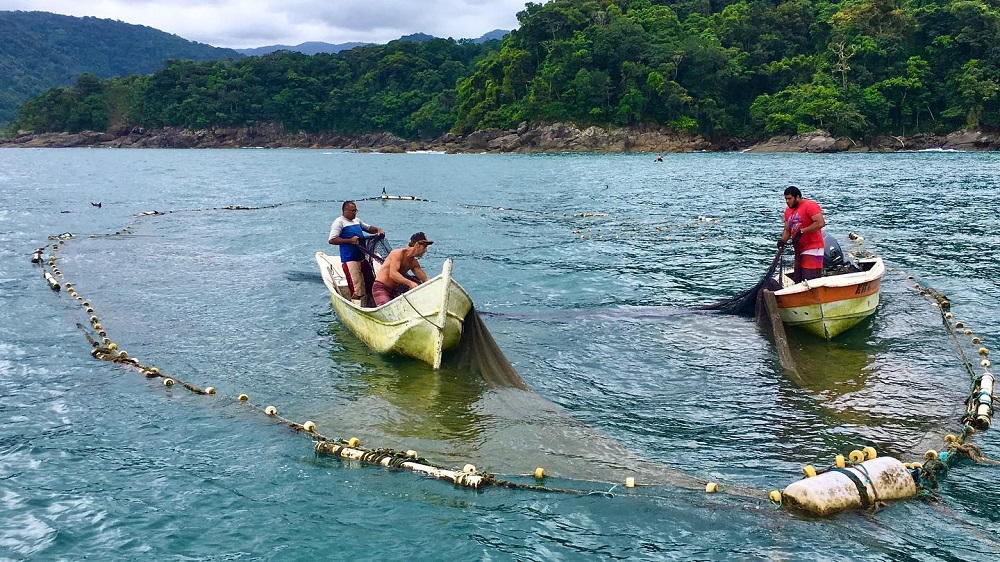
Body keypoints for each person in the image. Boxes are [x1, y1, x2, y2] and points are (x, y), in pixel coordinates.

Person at [329, 200, 385, 304]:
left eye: (356, 211)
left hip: (362, 258)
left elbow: (368, 228)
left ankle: (372, 304)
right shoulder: (339, 222)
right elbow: (332, 240)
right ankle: (359, 307)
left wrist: (378, 230)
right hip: (350, 260)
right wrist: (350, 241)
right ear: (344, 210)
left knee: (370, 283)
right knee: (357, 288)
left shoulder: (356, 221)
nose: (354, 213)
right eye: (352, 211)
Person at [778, 185, 826, 282]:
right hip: (799, 248)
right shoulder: (788, 211)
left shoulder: (810, 205)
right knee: (798, 278)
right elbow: (787, 230)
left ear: (798, 197)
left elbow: (820, 223)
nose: (787, 201)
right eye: (785, 199)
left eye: (789, 199)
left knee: (809, 278)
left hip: (813, 247)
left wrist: (802, 231)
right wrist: (782, 240)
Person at [371, 232, 433, 306]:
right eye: (424, 246)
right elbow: (393, 274)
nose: (425, 250)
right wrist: (410, 283)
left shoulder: (413, 263)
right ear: (417, 245)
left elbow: (426, 280)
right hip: (381, 288)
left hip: (394, 290)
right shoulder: (397, 253)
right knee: (387, 307)